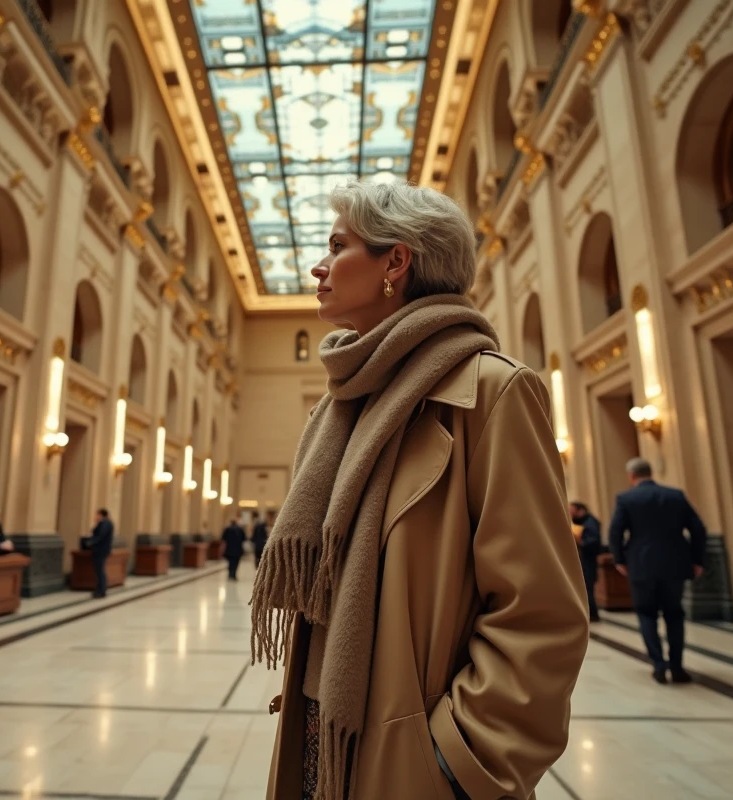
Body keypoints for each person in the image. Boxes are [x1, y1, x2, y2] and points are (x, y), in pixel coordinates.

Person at [252, 181, 588, 800]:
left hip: (415, 761)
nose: (317, 266)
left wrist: (458, 760)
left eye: (337, 245)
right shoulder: (338, 410)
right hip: (323, 738)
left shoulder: (490, 392)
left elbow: (541, 612)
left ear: (396, 262)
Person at [607, 457, 708, 685]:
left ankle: (658, 665)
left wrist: (620, 559)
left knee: (646, 614)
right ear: (651, 473)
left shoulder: (626, 498)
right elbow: (698, 529)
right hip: (675, 563)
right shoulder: (675, 495)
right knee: (674, 614)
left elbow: (615, 532)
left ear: (631, 476)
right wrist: (697, 559)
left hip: (640, 565)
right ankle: (677, 667)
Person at [570, 501, 602, 622]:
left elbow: (593, 540)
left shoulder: (590, 522)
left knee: (588, 588)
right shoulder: (583, 522)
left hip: (588, 561)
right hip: (584, 560)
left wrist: (581, 542)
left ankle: (592, 614)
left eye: (572, 510)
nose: (570, 513)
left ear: (580, 510)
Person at [88, 508, 114, 598]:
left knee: (100, 570)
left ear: (101, 515)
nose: (95, 516)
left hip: (101, 550)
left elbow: (100, 536)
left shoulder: (106, 524)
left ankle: (101, 590)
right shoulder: (103, 523)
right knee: (99, 570)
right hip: (100, 550)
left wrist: (91, 542)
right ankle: (100, 589)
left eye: (97, 515)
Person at [222, 516, 246, 581]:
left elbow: (223, 538)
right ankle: (234, 574)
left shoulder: (227, 529)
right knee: (236, 562)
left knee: (230, 562)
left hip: (229, 549)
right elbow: (244, 538)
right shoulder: (240, 529)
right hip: (238, 549)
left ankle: (230, 574)